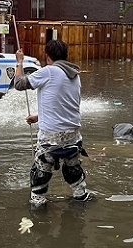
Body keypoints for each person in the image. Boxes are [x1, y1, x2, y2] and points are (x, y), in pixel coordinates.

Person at [13, 39, 90, 207]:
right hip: (74, 137)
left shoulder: (48, 71)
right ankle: (80, 197)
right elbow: (64, 104)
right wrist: (39, 117)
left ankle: (39, 207)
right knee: (74, 171)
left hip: (51, 138)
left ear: (47, 56)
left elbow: (18, 84)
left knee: (40, 174)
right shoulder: (75, 75)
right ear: (65, 55)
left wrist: (19, 62)